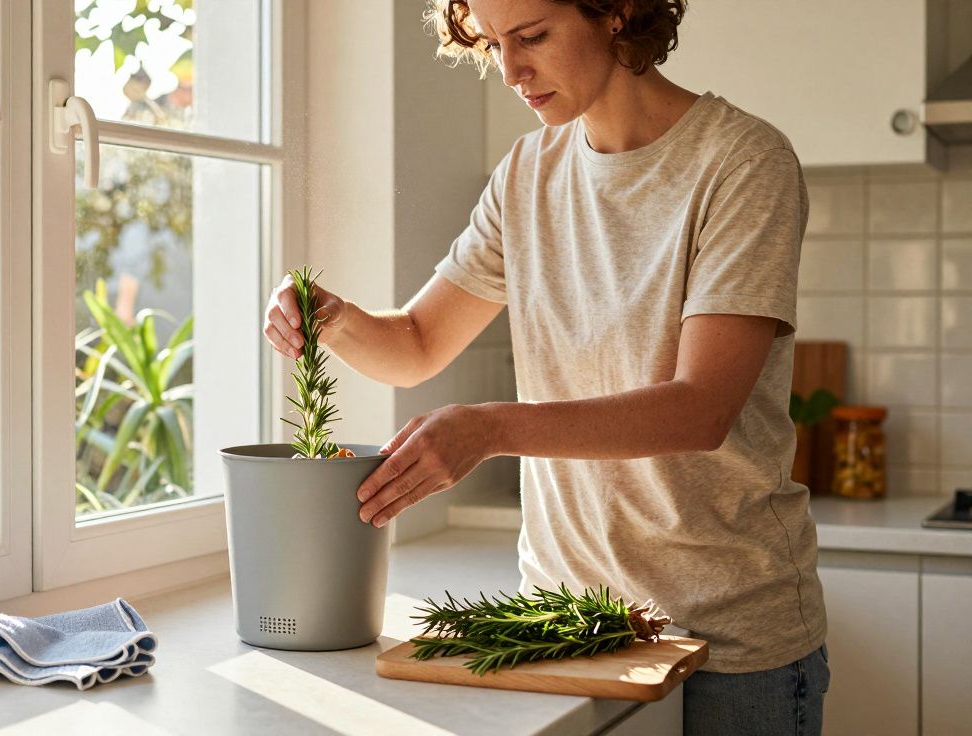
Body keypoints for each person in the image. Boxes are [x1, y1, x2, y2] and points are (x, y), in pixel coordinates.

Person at [263, 0, 830, 733]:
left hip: (729, 640)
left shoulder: (742, 161)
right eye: (494, 44)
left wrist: (489, 427)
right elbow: (415, 344)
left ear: (618, 13)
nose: (510, 70)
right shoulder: (527, 173)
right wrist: (332, 316)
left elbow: (701, 408)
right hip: (571, 628)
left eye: (532, 37)